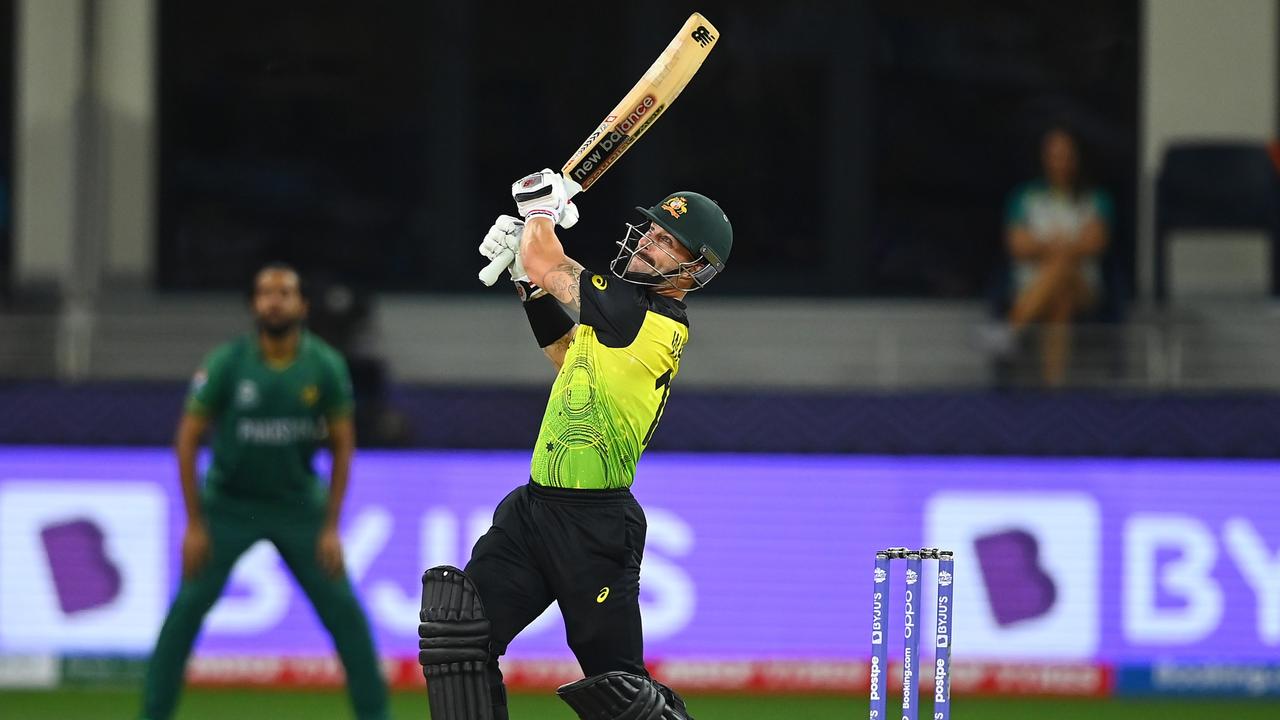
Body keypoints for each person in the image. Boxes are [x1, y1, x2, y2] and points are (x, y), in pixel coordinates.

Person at [416, 170, 732, 720]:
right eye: (650, 231)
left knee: (621, 694)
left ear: (694, 269)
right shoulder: (618, 318)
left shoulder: (646, 315)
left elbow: (550, 260)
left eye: (665, 241)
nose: (647, 241)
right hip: (535, 511)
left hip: (596, 527)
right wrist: (525, 279)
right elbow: (569, 355)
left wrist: (539, 212)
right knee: (459, 636)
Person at [139, 263, 388, 720]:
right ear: (255, 304)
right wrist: (195, 523)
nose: (274, 300)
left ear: (303, 305)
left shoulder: (325, 366)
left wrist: (331, 526)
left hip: (299, 509)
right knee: (183, 618)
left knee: (348, 621)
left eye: (285, 292)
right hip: (228, 508)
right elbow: (187, 439)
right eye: (265, 293)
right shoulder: (227, 363)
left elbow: (343, 445)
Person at [1004, 125, 1114, 386]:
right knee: (1060, 300)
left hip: (1085, 287)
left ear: (1077, 158)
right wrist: (1067, 244)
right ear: (1044, 158)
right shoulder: (1024, 197)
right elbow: (1018, 246)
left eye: (1066, 155)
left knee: (1063, 268)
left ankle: (1011, 330)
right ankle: (1054, 390)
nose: (1060, 162)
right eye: (1054, 155)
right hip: (1030, 285)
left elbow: (1095, 243)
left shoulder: (1096, 199)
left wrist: (1045, 245)